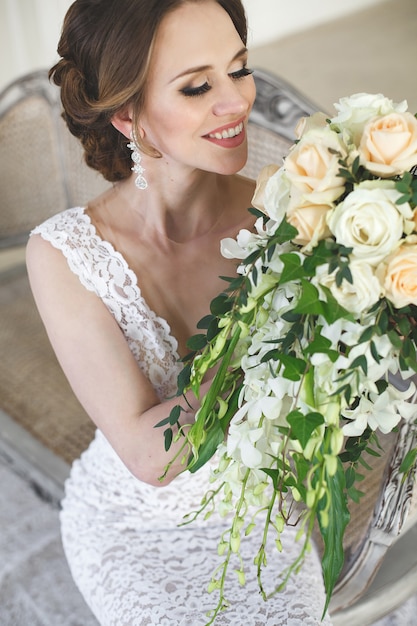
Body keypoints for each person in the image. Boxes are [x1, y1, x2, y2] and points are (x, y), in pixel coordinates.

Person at [26, 1, 333, 624]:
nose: (236, 102)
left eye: (239, 70)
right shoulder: (63, 254)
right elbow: (151, 456)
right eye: (198, 86)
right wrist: (266, 325)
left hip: (270, 514)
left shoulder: (295, 217)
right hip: (135, 521)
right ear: (126, 113)